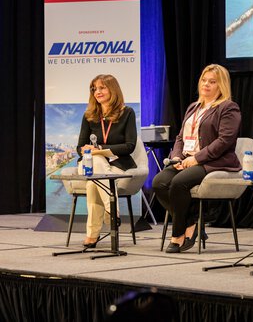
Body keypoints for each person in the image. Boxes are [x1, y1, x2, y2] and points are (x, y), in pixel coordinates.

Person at [152, 64, 241, 253]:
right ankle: (192, 221)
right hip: (186, 159)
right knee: (159, 182)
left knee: (178, 183)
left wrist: (198, 158)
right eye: (204, 80)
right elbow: (180, 137)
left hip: (214, 161)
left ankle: (179, 235)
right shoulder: (194, 107)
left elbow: (224, 141)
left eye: (212, 82)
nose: (206, 84)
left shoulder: (228, 107)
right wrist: (176, 156)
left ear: (221, 85)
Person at [77, 74, 138, 248]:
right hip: (89, 165)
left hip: (118, 164)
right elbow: (79, 147)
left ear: (113, 89)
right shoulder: (89, 115)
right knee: (95, 161)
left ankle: (92, 234)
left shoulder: (127, 113)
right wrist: (86, 150)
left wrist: (101, 149)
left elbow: (130, 146)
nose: (98, 92)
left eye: (102, 87)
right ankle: (113, 211)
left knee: (91, 185)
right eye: (94, 89)